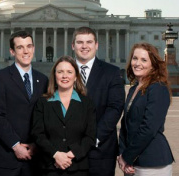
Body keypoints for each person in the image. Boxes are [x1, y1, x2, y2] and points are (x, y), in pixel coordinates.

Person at [0, 30, 48, 176]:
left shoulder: (44, 80)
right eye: (20, 47)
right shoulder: (0, 77)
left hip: (36, 159)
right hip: (7, 158)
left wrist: (36, 144)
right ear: (12, 51)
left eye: (29, 46)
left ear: (34, 48)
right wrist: (15, 145)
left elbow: (47, 117)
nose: (26, 51)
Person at [71, 26, 125, 176]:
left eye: (89, 42)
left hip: (100, 150)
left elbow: (115, 108)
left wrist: (92, 138)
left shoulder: (112, 72)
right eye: (80, 42)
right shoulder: (62, 71)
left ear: (96, 45)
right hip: (68, 152)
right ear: (73, 45)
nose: (84, 46)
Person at [31, 56, 96, 176]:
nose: (64, 76)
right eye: (60, 72)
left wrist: (71, 155)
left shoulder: (87, 103)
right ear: (55, 76)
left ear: (76, 76)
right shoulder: (43, 102)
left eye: (69, 72)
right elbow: (38, 134)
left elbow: (90, 136)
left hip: (78, 167)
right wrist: (56, 155)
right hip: (50, 167)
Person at [118, 42, 174, 176]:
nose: (137, 63)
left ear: (153, 65)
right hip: (132, 162)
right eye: (135, 58)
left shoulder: (158, 88)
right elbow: (125, 125)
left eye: (144, 60)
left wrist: (127, 157)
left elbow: (149, 128)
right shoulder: (133, 89)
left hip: (152, 161)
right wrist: (122, 154)